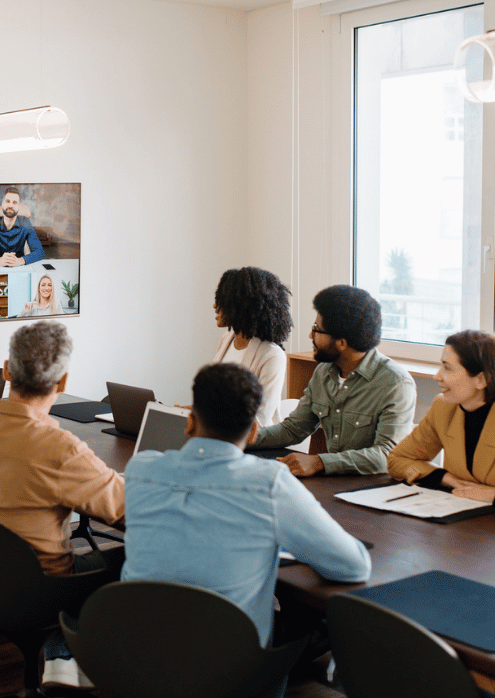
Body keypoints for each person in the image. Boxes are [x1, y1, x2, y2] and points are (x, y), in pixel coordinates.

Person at [123, 363, 371, 696]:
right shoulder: (270, 483)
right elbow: (353, 566)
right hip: (228, 670)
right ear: (254, 432)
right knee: (318, 623)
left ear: (190, 422)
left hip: (136, 654)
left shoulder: (140, 468)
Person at [0, 321, 124, 690]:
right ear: (63, 382)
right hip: (38, 591)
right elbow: (125, 507)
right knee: (127, 556)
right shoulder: (58, 448)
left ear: (6, 371)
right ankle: (77, 656)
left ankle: (61, 655)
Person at [251, 285, 416, 477]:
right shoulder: (324, 371)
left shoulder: (396, 383)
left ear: (342, 343)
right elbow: (294, 429)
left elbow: (386, 456)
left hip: (375, 486)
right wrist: (248, 438)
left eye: (316, 329)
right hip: (334, 481)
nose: (310, 336)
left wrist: (319, 462)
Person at [388, 330, 495, 503]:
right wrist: (444, 478)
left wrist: (492, 495)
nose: (437, 376)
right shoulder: (443, 407)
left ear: (481, 380)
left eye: (447, 367)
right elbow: (398, 460)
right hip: (459, 509)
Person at [212, 266, 292, 426]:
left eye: (222, 300)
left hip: (252, 437)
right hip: (216, 432)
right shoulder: (226, 339)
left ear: (241, 306)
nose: (215, 306)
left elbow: (259, 418)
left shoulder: (272, 355)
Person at [0, 187, 45, 266]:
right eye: (7, 201)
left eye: (15, 202)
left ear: (18, 206)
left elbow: (40, 252)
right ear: (2, 204)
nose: (10, 205)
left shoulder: (25, 223)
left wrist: (20, 260)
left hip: (18, 267)